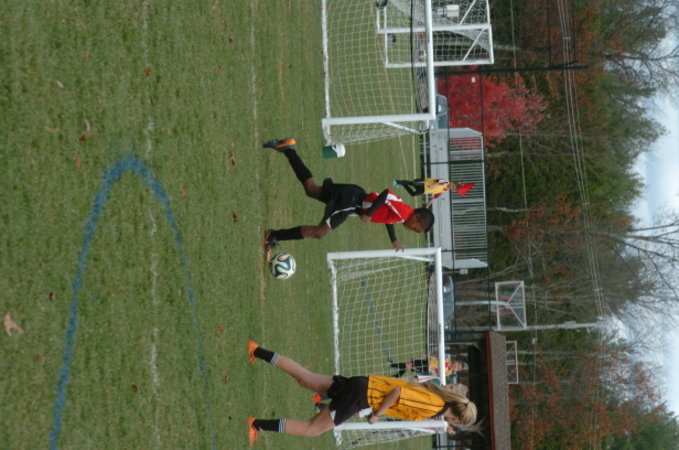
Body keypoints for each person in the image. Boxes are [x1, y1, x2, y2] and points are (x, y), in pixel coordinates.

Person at [246, 340, 477, 445]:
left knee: (305, 378)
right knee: (312, 429)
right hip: (362, 396)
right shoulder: (434, 406)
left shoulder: (437, 399)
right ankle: (256, 425)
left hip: (363, 385)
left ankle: (256, 351)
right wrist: (376, 414)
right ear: (456, 419)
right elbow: (398, 393)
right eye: (456, 423)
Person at [262, 138, 434, 255]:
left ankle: (289, 149)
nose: (410, 229)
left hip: (353, 195)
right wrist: (369, 213)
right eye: (415, 228)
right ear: (416, 217)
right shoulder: (405, 212)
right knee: (320, 232)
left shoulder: (402, 215)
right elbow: (387, 194)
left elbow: (389, 218)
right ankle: (273, 235)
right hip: (351, 202)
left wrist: (393, 239)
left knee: (312, 190)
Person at [393, 178, 475, 208]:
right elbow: (438, 181)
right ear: (452, 183)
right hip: (425, 183)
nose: (452, 187)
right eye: (453, 186)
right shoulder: (446, 181)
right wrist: (432, 185)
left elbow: (435, 196)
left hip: (425, 190)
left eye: (453, 188)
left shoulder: (444, 190)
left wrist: (429, 204)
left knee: (413, 194)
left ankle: (402, 184)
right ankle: (397, 182)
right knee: (413, 183)